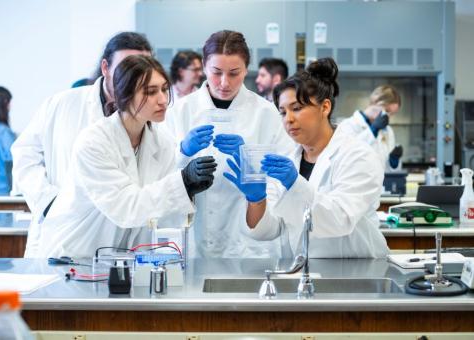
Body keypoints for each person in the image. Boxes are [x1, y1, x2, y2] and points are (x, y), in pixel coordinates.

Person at [36, 55, 217, 258]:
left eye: (164, 89)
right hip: (72, 253)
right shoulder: (94, 142)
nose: (163, 100)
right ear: (125, 95)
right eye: (150, 92)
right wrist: (182, 182)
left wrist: (188, 189)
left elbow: (158, 214)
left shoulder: (162, 143)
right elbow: (126, 208)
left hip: (119, 258)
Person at [224, 58, 389, 258]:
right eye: (283, 112)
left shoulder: (357, 156)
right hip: (304, 270)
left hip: (355, 271)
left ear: (325, 107)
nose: (288, 119)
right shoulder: (288, 158)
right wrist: (257, 200)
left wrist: (294, 184)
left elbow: (340, 220)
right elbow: (273, 228)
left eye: (297, 108)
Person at [12, 32, 153, 257]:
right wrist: (48, 201)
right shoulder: (63, 104)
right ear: (105, 68)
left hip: (121, 243)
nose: (133, 79)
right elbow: (24, 154)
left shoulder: (151, 115)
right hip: (62, 238)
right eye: (125, 69)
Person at [162, 30, 293, 258]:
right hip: (195, 238)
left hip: (248, 245)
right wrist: (182, 153)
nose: (224, 83)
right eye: (216, 72)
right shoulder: (180, 111)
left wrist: (251, 163)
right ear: (204, 66)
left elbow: (284, 175)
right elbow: (157, 177)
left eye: (234, 73)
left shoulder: (266, 113)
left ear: (246, 69)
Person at [338, 85, 403, 171]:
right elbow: (348, 155)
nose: (388, 116)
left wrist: (393, 161)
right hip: (356, 182)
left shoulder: (387, 131)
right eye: (387, 111)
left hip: (380, 184)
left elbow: (387, 170)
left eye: (392, 114)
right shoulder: (348, 125)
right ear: (375, 101)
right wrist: (373, 131)